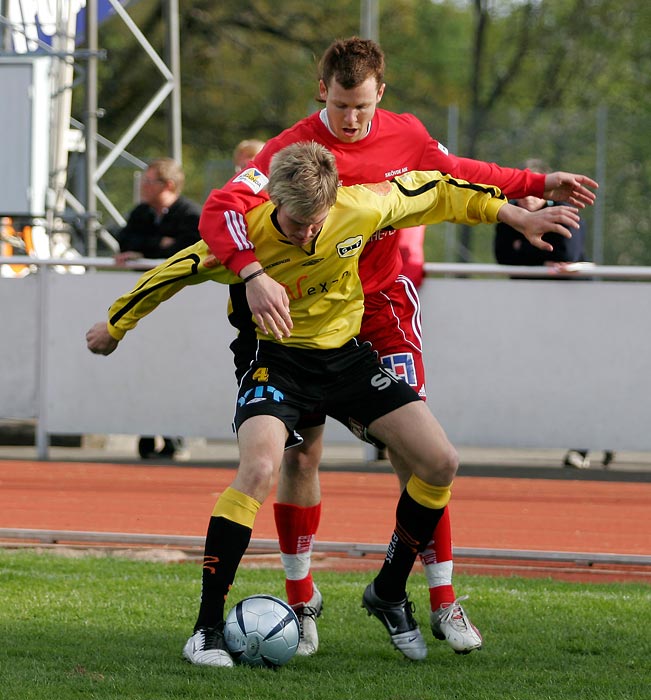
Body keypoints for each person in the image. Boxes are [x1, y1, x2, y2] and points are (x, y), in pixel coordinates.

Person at [87, 141, 581, 666]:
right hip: (274, 362)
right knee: (259, 468)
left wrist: (513, 214)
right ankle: (206, 630)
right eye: (295, 224)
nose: (306, 234)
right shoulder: (242, 238)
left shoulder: (360, 206)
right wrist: (115, 325)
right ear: (273, 200)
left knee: (440, 461)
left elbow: (439, 190)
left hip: (345, 360)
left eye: (315, 222)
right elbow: (170, 273)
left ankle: (389, 590)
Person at [195, 37, 598, 655]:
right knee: (301, 459)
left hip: (380, 308)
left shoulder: (405, 134)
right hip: (306, 319)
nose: (350, 120)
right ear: (320, 93)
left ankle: (438, 597)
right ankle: (301, 601)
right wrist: (252, 271)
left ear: (380, 93)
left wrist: (535, 187)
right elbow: (224, 205)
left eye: (360, 106)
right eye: (339, 107)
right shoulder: (292, 149)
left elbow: (458, 175)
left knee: (421, 456)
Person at [494, 158, 613, 471]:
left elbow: (566, 256)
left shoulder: (566, 212)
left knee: (580, 373)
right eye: (520, 188)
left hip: (575, 309)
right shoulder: (506, 217)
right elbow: (505, 259)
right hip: (536, 311)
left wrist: (525, 249)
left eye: (534, 186)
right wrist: (536, 257)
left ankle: (588, 443)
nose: (527, 194)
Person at [115, 157, 202, 459]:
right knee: (145, 368)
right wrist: (160, 244)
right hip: (149, 309)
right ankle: (149, 433)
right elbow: (125, 240)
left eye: (149, 181)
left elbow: (191, 246)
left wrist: (152, 248)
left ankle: (175, 435)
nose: (142, 186)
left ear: (168, 185)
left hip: (181, 308)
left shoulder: (190, 213)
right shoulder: (141, 212)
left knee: (176, 367)